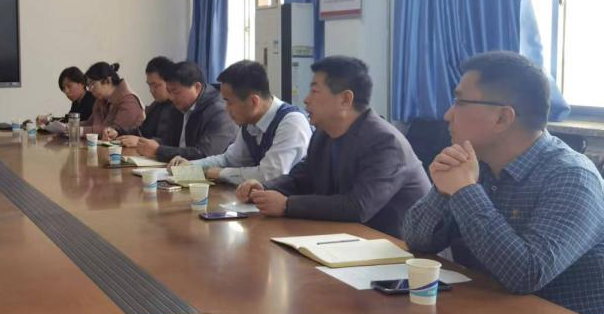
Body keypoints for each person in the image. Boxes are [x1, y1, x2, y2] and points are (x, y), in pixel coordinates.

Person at [403, 51, 604, 314]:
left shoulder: (572, 178)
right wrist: (443, 190)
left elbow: (525, 275)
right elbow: (418, 240)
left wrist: (464, 192)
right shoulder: (476, 163)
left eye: (460, 102)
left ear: (502, 118)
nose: (448, 114)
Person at [241, 56, 430, 237]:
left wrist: (287, 205)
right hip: (348, 239)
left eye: (315, 91)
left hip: (398, 248)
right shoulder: (324, 134)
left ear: (345, 100)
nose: (306, 99)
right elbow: (303, 178)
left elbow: (358, 206)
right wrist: (264, 188)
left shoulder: (385, 142)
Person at [172, 60, 311, 185]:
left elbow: (269, 175)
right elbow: (229, 160)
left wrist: (220, 174)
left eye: (229, 102)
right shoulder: (250, 123)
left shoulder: (292, 123)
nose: (226, 109)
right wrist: (192, 166)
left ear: (253, 101)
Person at [126, 61, 236, 163]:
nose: (171, 97)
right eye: (169, 92)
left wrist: (158, 150)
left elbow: (204, 154)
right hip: (177, 168)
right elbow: (171, 142)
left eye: (176, 92)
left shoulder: (219, 111)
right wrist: (151, 144)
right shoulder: (178, 106)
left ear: (197, 87)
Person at [106, 56, 181, 145]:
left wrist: (139, 141)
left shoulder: (179, 107)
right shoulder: (156, 105)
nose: (151, 90)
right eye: (149, 85)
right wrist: (117, 132)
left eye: (156, 85)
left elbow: (169, 142)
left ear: (170, 82)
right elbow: (141, 131)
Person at [83, 61, 146, 135]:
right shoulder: (101, 100)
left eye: (92, 84)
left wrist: (79, 131)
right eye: (88, 86)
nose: (90, 90)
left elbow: (112, 131)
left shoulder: (129, 100)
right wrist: (72, 126)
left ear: (107, 81)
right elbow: (90, 123)